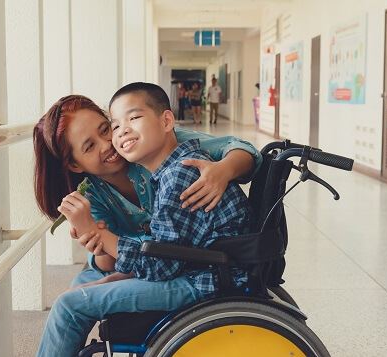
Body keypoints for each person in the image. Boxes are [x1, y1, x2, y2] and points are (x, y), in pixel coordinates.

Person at [33, 93, 261, 356]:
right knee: (80, 284)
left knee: (70, 305)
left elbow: (243, 149)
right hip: (168, 257)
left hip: (186, 266)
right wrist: (97, 241)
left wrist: (223, 171)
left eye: (106, 129)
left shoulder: (161, 148)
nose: (108, 143)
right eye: (89, 146)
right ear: (74, 164)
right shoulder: (93, 194)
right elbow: (111, 262)